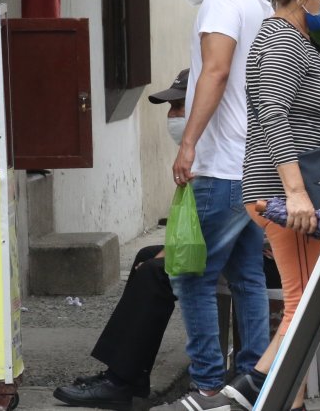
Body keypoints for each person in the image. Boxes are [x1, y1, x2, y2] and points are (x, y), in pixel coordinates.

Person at [219, 0, 320, 411]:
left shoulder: (292, 39)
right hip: (284, 194)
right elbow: (273, 114)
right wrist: (296, 193)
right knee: (310, 299)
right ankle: (251, 389)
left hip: (292, 190)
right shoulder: (280, 40)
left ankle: (282, 398)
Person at [156, 0, 273, 411]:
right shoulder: (259, 5)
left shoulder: (222, 0)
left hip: (223, 164)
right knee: (247, 276)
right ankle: (251, 383)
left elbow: (217, 72)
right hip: (254, 163)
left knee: (192, 277)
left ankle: (208, 387)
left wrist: (189, 143)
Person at [54, 71, 189, 409]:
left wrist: (171, 255)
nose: (174, 117)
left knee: (153, 274)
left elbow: (226, 220)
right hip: (218, 246)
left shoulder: (224, 148)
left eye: (181, 107)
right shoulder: (199, 148)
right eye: (171, 108)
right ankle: (128, 374)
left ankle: (120, 382)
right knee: (147, 254)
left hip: (248, 256)